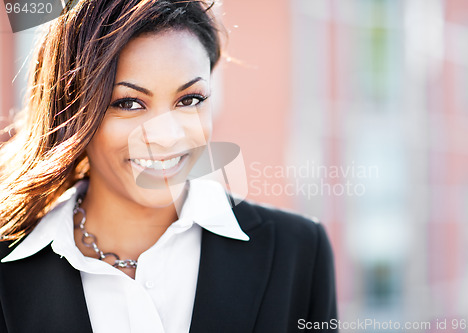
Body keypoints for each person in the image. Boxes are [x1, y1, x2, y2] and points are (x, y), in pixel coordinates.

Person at [0, 1, 337, 332]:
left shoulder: (299, 252)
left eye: (189, 100)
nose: (166, 136)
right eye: (129, 103)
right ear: (71, 110)